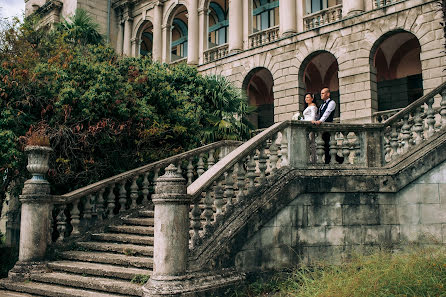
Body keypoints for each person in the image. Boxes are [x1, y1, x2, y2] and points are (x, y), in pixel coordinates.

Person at [312, 88, 336, 164]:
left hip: (328, 126)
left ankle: (328, 161)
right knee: (324, 144)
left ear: (328, 94)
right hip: (321, 127)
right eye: (321, 93)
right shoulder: (322, 105)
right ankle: (330, 160)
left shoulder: (332, 103)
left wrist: (320, 121)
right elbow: (319, 115)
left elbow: (327, 113)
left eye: (323, 93)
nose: (321, 95)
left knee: (328, 144)